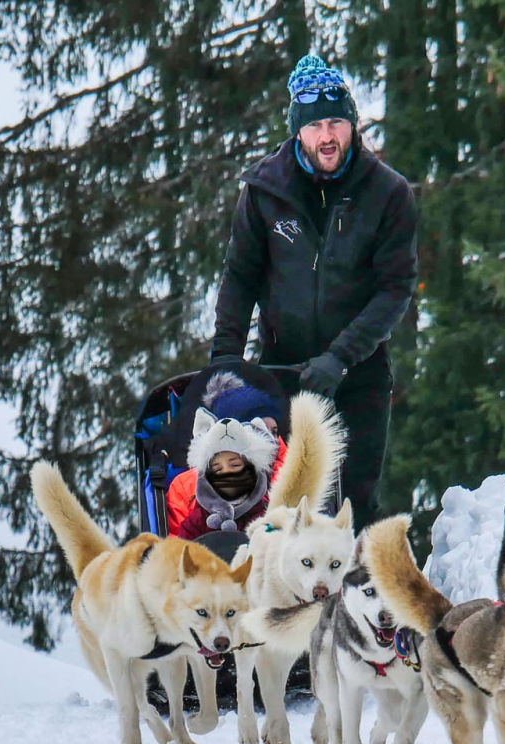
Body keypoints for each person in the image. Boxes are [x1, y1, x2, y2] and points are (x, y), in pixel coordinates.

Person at [208, 53, 419, 530]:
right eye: (317, 125)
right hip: (281, 370)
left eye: (337, 122)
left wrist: (341, 356)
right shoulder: (264, 190)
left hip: (358, 374)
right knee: (278, 505)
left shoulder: (388, 194)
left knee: (353, 507)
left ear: (353, 124)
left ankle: (350, 601)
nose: (328, 136)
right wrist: (225, 360)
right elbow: (240, 277)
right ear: (298, 130)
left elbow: (395, 288)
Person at [165, 372, 289, 540]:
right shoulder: (186, 486)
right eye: (258, 431)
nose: (268, 439)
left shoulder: (292, 473)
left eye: (273, 431)